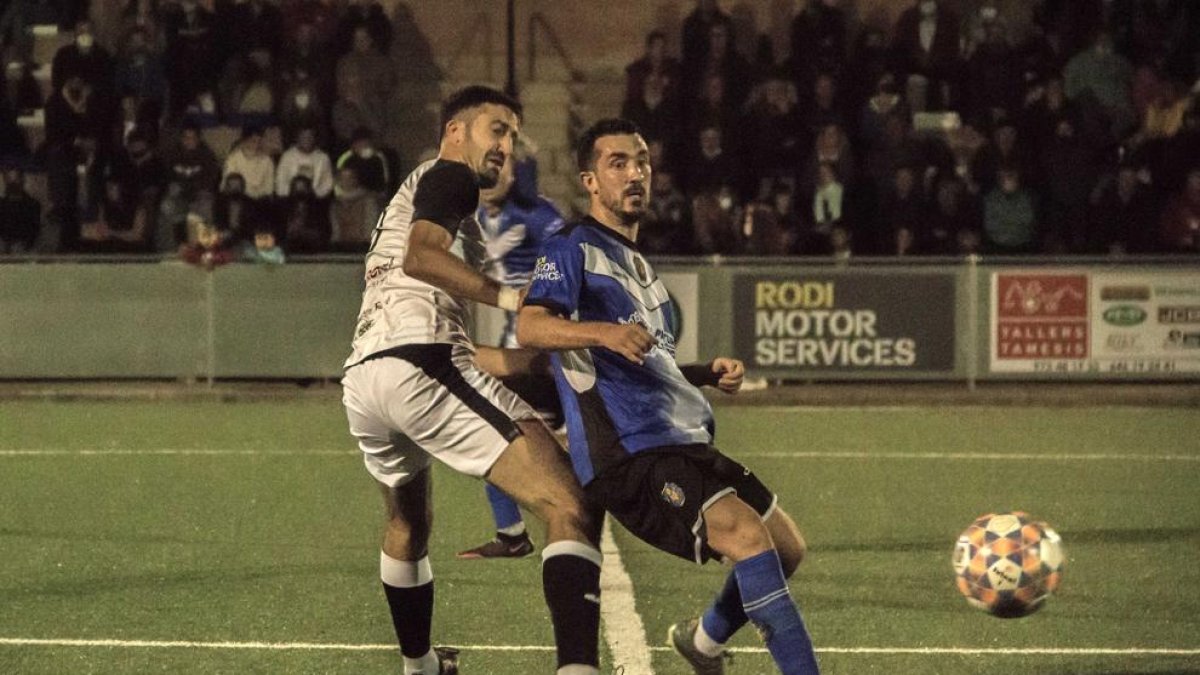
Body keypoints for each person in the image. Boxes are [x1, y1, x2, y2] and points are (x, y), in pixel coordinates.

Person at [517, 118, 819, 675]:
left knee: (787, 547)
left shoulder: (639, 265)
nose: (635, 174)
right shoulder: (572, 245)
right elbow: (532, 326)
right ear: (589, 180)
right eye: (618, 164)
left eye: (642, 163)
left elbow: (642, 361)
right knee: (748, 536)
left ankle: (703, 644)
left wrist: (703, 372)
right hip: (633, 453)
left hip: (679, 440)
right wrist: (603, 332)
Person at [339, 86, 602, 675]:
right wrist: (511, 297)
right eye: (497, 129)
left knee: (409, 523)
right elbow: (421, 259)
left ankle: (422, 667)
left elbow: (460, 351)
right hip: (419, 366)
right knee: (569, 504)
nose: (506, 147)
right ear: (456, 130)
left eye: (512, 135)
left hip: (367, 379)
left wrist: (555, 364)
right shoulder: (450, 176)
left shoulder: (419, 198)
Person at [457, 154, 566, 560]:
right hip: (511, 339)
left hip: (536, 342)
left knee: (508, 437)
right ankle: (513, 534)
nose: (492, 177)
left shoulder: (538, 214)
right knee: (495, 434)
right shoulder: (475, 216)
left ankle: (553, 527)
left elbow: (569, 259)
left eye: (501, 170)